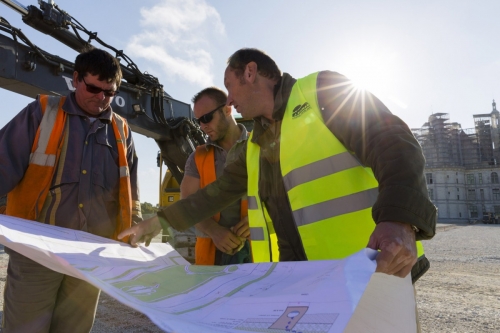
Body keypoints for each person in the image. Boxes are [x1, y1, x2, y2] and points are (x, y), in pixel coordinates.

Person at [120, 48, 436, 281]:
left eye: (229, 87)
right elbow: (211, 195)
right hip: (304, 282)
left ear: (250, 72)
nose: (229, 100)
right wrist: (156, 223)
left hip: (376, 271)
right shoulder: (255, 146)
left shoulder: (322, 91)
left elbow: (393, 142)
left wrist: (399, 220)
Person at [0, 47, 141, 333]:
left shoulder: (121, 130)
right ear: (76, 79)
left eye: (109, 93)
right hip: (36, 252)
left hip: (90, 257)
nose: (101, 98)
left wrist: (134, 227)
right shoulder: (42, 112)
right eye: (93, 88)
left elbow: (130, 192)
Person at [182, 87, 250, 265]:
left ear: (227, 109)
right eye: (198, 121)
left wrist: (258, 220)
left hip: (258, 256)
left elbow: (285, 195)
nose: (203, 126)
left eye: (207, 118)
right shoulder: (197, 158)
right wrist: (213, 230)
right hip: (212, 259)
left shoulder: (261, 146)